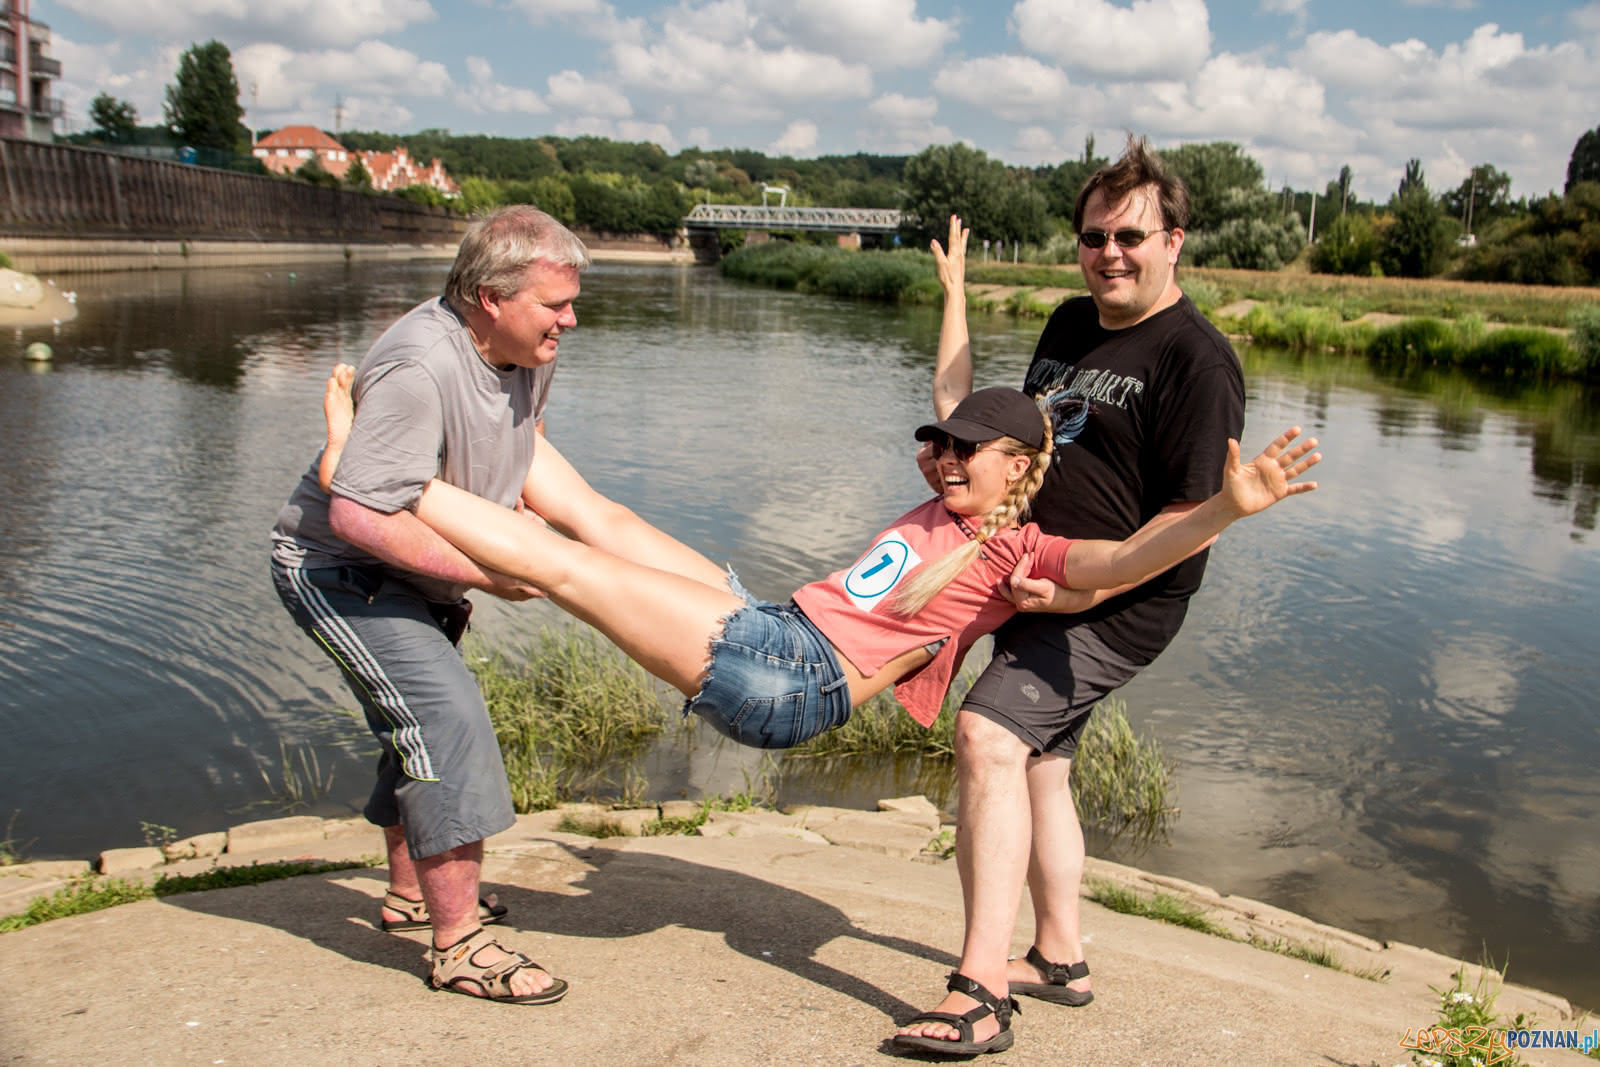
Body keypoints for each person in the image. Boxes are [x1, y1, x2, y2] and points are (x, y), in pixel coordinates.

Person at [271, 205, 717, 1005]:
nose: (570, 320)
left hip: (425, 567)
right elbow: (359, 511)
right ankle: (458, 945)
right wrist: (488, 570)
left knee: (411, 718)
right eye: (554, 305)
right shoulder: (417, 366)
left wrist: (542, 531)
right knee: (444, 715)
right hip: (343, 568)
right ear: (489, 297)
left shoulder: (525, 347)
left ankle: (412, 896)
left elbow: (522, 439)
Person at [895, 136, 1250, 1055]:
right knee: (1041, 762)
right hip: (1042, 581)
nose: (1109, 254)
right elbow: (983, 418)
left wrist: (1063, 598)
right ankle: (1059, 956)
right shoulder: (1067, 323)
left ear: (1175, 239)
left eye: (1130, 236)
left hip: (1118, 598)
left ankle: (978, 989)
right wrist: (957, 299)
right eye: (1094, 237)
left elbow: (1191, 520)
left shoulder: (1197, 361)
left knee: (989, 734)